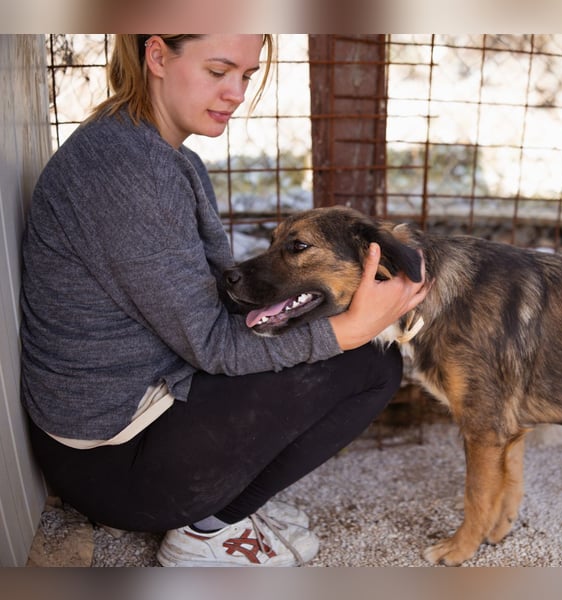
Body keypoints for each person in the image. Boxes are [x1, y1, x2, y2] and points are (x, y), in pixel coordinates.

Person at [19, 34, 428, 567]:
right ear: (159, 55)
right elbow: (214, 344)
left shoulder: (162, 156)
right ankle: (208, 531)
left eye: (247, 76)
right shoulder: (125, 171)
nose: (235, 92)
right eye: (218, 71)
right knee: (368, 367)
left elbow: (212, 302)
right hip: (114, 461)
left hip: (138, 417)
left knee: (352, 356)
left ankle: (228, 506)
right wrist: (345, 332)